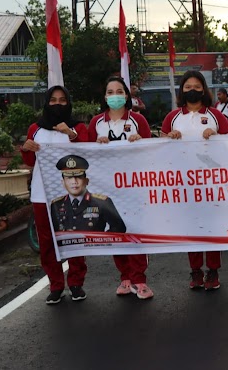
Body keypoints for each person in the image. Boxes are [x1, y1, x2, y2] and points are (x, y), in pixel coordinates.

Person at [161, 70, 228, 290]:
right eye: (188, 87)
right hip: (183, 182)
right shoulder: (172, 117)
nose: (193, 90)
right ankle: (195, 270)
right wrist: (169, 139)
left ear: (204, 90)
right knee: (191, 226)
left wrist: (216, 135)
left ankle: (213, 270)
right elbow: (158, 149)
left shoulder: (215, 115)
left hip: (211, 181)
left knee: (211, 227)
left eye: (197, 87)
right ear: (182, 90)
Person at [20, 85, 89, 305]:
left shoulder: (76, 127)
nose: (57, 104)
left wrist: (70, 133)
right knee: (48, 242)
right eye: (53, 100)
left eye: (62, 100)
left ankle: (76, 283)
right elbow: (30, 161)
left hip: (72, 194)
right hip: (42, 195)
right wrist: (27, 148)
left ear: (68, 103)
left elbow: (88, 152)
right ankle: (56, 285)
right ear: (46, 103)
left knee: (75, 237)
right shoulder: (35, 128)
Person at [88, 76, 154, 300]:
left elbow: (153, 152)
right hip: (107, 187)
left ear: (126, 96)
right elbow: (86, 154)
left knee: (135, 231)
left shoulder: (138, 121)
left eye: (119, 91)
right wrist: (96, 145)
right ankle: (125, 277)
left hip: (134, 186)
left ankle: (140, 280)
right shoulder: (96, 123)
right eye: (110, 92)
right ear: (105, 97)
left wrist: (140, 142)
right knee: (116, 231)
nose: (114, 96)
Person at [51, 155, 127, 233]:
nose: (74, 182)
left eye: (78, 177)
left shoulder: (102, 202)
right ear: (63, 183)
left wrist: (100, 241)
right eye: (69, 178)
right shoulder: (56, 204)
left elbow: (119, 228)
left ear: (86, 181)